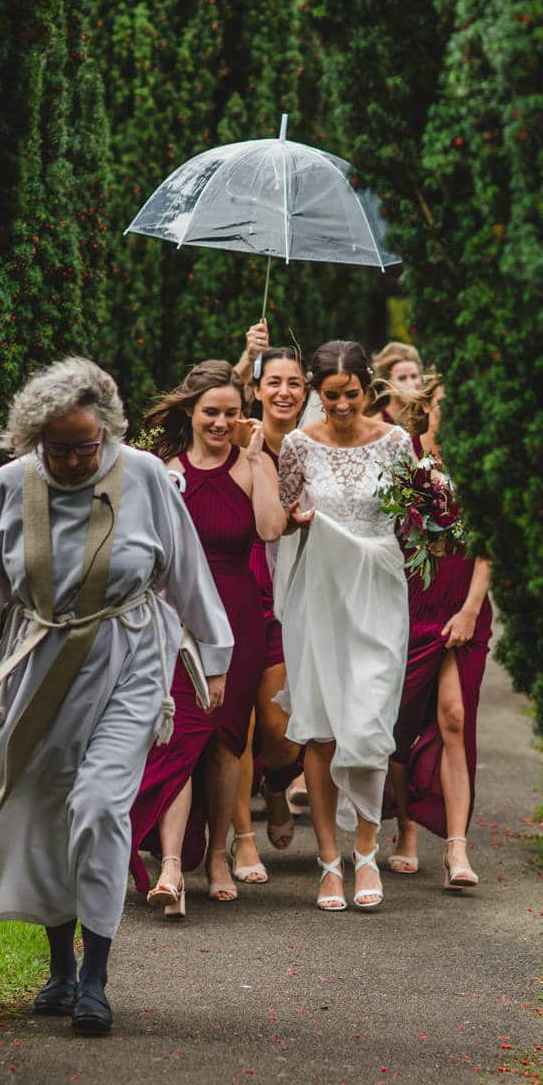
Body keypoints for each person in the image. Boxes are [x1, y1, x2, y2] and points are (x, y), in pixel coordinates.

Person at [0, 357, 232, 1037]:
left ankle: (97, 975)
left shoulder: (142, 474)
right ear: (34, 440)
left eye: (89, 445)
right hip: (39, 664)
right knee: (50, 807)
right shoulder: (8, 487)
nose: (79, 460)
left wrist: (214, 651)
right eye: (62, 448)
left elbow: (187, 566)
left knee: (99, 806)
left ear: (108, 430)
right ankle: (58, 964)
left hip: (129, 658)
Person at [129, 361, 285, 912]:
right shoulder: (166, 470)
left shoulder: (248, 466)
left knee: (225, 742)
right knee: (176, 737)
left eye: (231, 412)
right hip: (175, 620)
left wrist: (259, 456)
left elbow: (269, 529)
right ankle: (169, 861)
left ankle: (217, 853)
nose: (221, 422)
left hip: (235, 614)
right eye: (211, 413)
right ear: (191, 414)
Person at [274, 340, 413, 911]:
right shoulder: (297, 445)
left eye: (349, 395)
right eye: (328, 396)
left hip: (379, 587)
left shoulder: (397, 443)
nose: (337, 406)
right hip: (321, 590)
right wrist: (294, 518)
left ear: (366, 388)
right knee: (324, 724)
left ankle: (367, 852)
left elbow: (416, 512)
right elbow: (277, 519)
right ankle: (330, 862)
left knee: (372, 717)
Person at [380, 376, 491, 890]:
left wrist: (471, 609)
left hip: (465, 600)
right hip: (412, 598)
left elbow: (491, 544)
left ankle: (456, 848)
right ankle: (404, 826)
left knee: (454, 716)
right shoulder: (405, 457)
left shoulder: (484, 464)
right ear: (429, 406)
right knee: (401, 724)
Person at [246, 342, 309, 849]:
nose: (283, 391)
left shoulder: (315, 443)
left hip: (305, 590)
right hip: (250, 588)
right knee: (247, 722)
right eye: (274, 382)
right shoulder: (240, 440)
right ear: (257, 389)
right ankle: (236, 831)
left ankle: (275, 782)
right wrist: (245, 357)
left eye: (293, 383)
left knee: (280, 731)